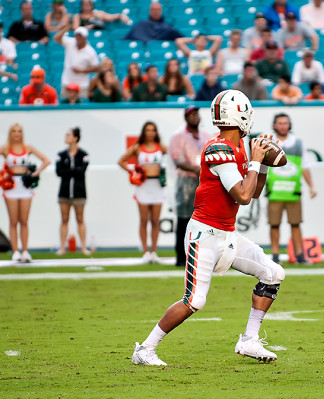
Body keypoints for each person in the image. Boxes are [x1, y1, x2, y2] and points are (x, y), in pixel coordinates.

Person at [131, 89, 285, 366]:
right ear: (239, 115)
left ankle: (249, 340)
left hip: (226, 234)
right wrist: (256, 161)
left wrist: (262, 168)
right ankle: (145, 349)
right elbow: (242, 195)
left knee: (273, 273)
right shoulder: (219, 148)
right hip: (204, 234)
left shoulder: (240, 146)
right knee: (195, 300)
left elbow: (254, 192)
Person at [0, 123, 51, 263]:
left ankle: (25, 250)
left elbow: (46, 160)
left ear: (22, 133)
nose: (16, 134)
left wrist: (35, 173)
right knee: (13, 220)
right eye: (14, 131)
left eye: (19, 131)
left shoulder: (29, 148)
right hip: (11, 187)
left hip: (25, 187)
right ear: (10, 133)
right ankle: (15, 251)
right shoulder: (5, 148)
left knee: (24, 221)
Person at [267, 113, 316, 264]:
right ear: (274, 125)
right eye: (280, 123)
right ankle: (275, 255)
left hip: (293, 191)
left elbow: (305, 166)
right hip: (275, 191)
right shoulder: (268, 142)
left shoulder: (298, 143)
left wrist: (311, 186)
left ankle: (299, 255)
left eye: (285, 123)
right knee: (274, 224)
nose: (282, 126)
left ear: (289, 125)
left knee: (295, 223)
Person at [168, 105, 214, 267]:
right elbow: (178, 160)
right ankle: (181, 257)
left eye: (196, 114)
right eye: (191, 114)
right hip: (187, 180)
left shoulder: (207, 135)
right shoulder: (178, 136)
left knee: (206, 220)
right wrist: (198, 169)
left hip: (204, 180)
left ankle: (204, 256)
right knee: (184, 219)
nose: (194, 117)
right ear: (186, 117)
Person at [119, 122, 167, 263]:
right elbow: (121, 161)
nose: (150, 133)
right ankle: (145, 251)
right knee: (144, 220)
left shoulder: (161, 147)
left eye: (153, 130)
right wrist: (133, 171)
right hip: (143, 186)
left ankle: (154, 252)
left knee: (155, 221)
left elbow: (173, 158)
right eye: (148, 130)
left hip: (157, 186)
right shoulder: (138, 147)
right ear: (143, 132)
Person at [55, 127, 90, 255]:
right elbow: (59, 172)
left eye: (69, 135)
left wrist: (69, 171)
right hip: (64, 192)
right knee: (64, 219)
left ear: (75, 138)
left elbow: (82, 172)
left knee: (80, 219)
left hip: (79, 192)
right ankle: (62, 248)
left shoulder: (84, 155)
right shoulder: (61, 155)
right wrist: (74, 170)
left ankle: (84, 247)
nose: (66, 137)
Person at [54, 25, 100, 98]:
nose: (78, 38)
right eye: (77, 36)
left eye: (80, 36)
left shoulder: (90, 51)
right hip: (67, 83)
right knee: (65, 105)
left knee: (81, 107)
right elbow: (56, 38)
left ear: (85, 38)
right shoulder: (70, 42)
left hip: (82, 85)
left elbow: (96, 67)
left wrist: (82, 70)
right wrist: (66, 28)